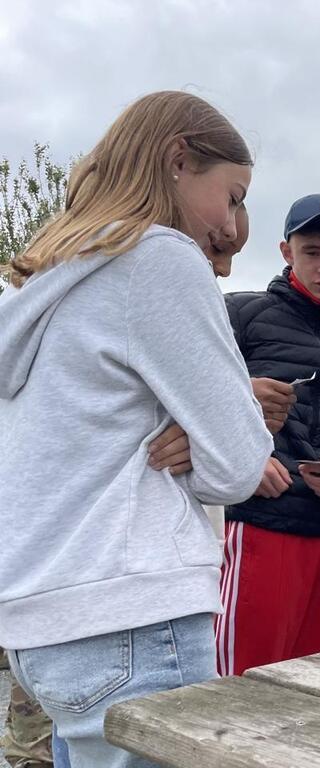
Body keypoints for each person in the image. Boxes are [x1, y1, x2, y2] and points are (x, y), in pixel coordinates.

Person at [0, 91, 273, 767]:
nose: (235, 222)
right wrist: (204, 434)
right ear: (178, 160)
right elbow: (239, 465)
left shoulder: (48, 283)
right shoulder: (155, 259)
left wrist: (186, 426)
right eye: (232, 195)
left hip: (46, 632)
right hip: (135, 620)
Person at [215, 194, 320, 675]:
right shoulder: (239, 315)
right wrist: (244, 457)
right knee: (238, 686)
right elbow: (182, 396)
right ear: (286, 252)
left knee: (313, 685)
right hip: (256, 526)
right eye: (312, 252)